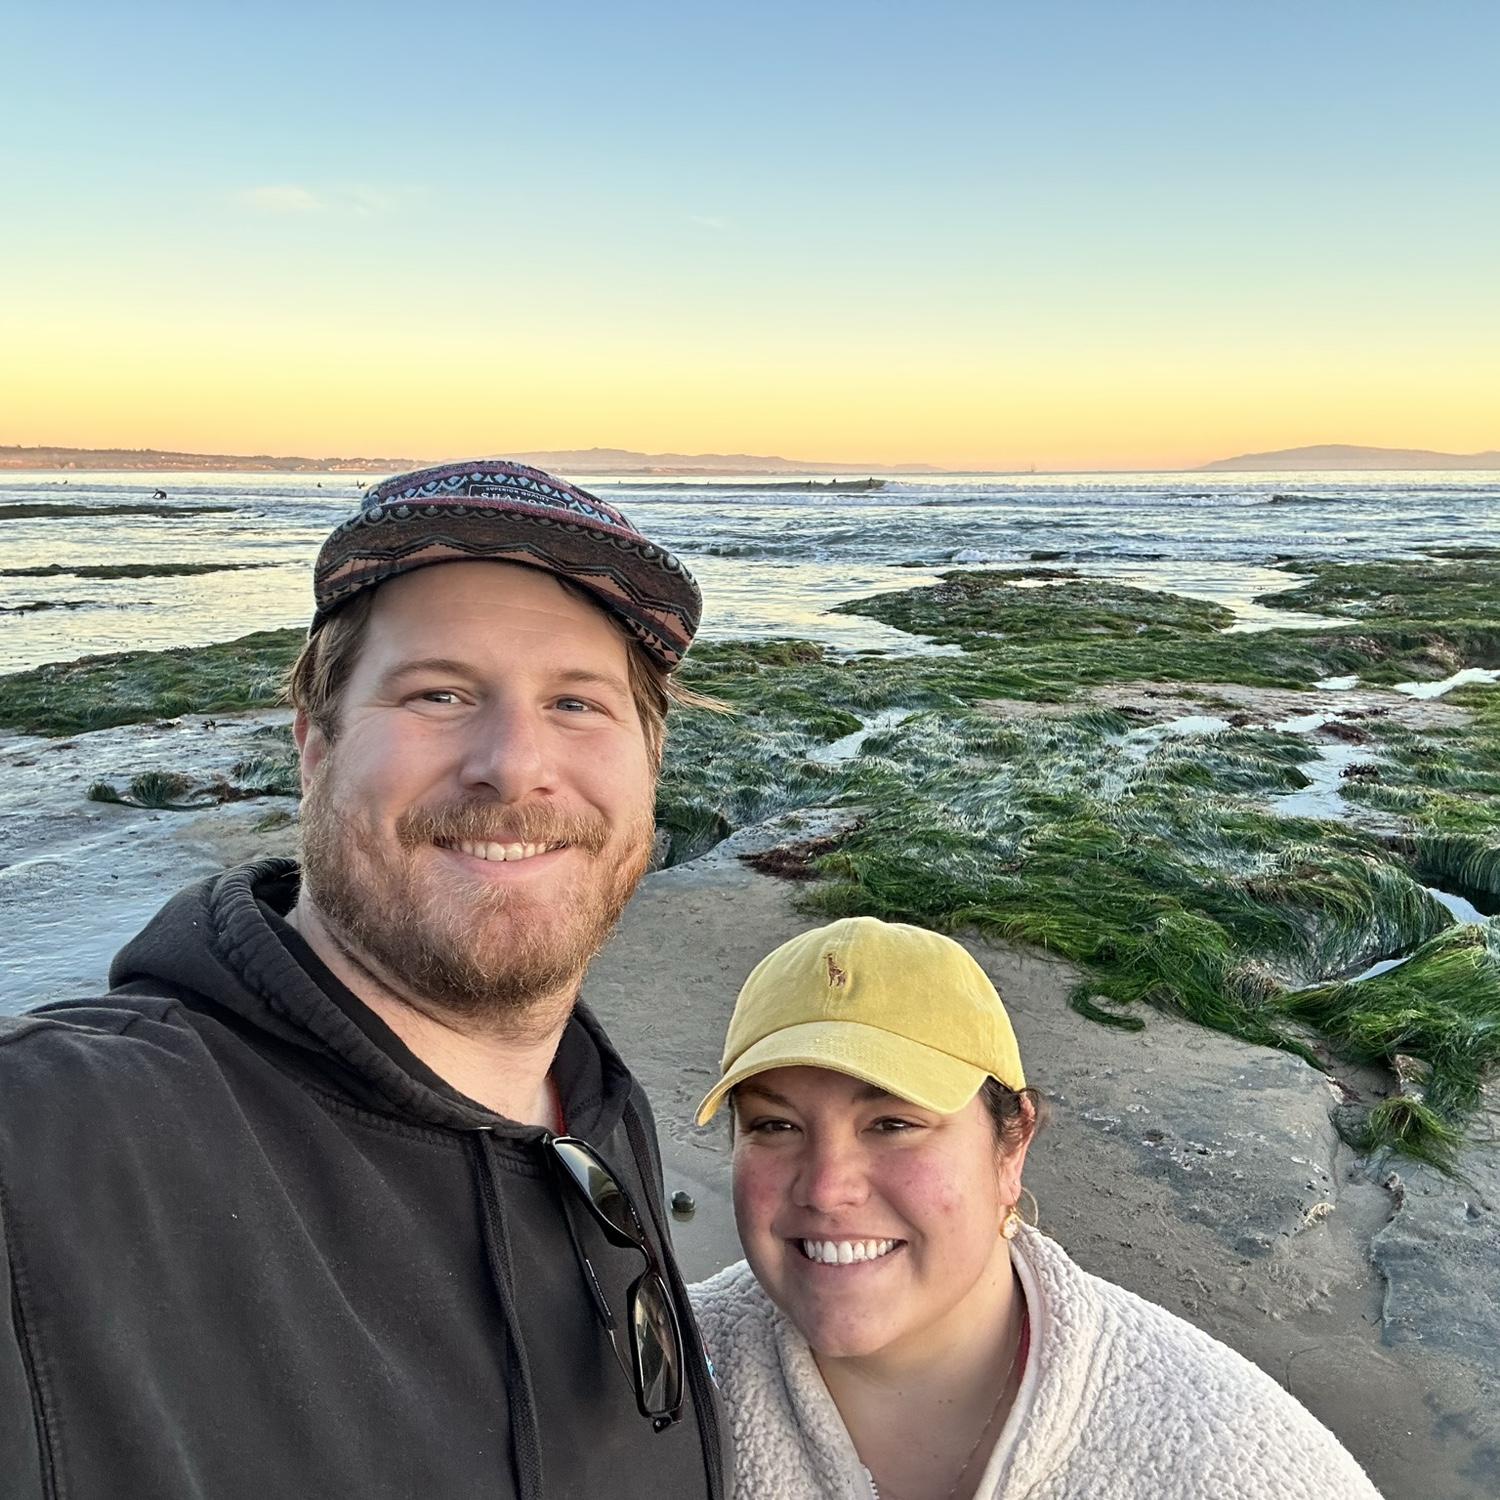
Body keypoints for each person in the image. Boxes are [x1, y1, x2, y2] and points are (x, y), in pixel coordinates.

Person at [0, 460, 729, 1500]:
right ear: (314, 746)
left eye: (577, 702)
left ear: (649, 766)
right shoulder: (62, 1143)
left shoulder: (597, 1111)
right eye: (440, 693)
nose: (514, 763)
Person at [690, 917, 1381, 1499]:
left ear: (1012, 1146)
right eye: (775, 1125)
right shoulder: (660, 1379)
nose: (825, 1187)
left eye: (893, 1123)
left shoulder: (1240, 1462)